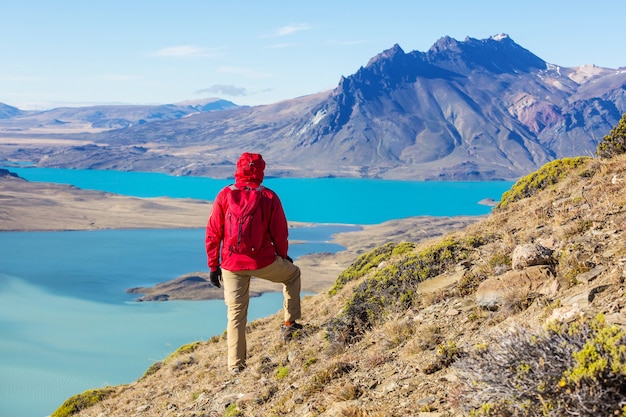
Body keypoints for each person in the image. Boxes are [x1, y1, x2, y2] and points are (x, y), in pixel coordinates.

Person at [205, 152, 302, 374]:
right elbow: (279, 232)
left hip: (231, 264)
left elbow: (213, 233)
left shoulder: (225, 195)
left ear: (238, 169)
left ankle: (236, 367)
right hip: (263, 260)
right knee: (292, 275)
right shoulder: (268, 197)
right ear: (261, 171)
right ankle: (290, 325)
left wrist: (213, 266)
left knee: (236, 316)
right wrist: (283, 255)